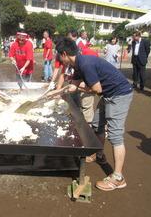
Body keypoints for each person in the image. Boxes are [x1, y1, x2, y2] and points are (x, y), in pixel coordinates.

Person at [53, 38, 133, 191]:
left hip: (119, 94)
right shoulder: (77, 64)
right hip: (109, 94)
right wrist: (56, 92)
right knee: (97, 125)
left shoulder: (85, 64)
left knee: (115, 135)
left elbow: (97, 89)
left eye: (59, 55)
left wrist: (83, 88)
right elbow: (73, 86)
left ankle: (118, 178)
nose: (58, 59)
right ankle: (98, 154)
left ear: (64, 54)